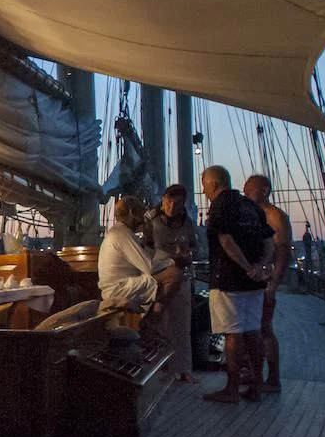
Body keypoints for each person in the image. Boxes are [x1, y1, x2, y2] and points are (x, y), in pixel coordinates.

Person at [200, 165, 274, 404]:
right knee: (253, 331)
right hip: (255, 283)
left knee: (233, 334)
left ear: (213, 184)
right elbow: (269, 242)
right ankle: (256, 385)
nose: (204, 191)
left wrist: (246, 266)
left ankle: (232, 389)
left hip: (228, 280)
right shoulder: (250, 206)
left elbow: (226, 240)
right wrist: (260, 266)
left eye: (204, 186)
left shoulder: (220, 205)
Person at [146, 184, 199, 384]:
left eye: (176, 203)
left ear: (183, 203)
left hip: (180, 273)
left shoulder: (187, 223)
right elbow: (143, 247)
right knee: (160, 323)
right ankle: (162, 368)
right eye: (168, 202)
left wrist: (187, 253)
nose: (171, 207)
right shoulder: (150, 220)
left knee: (182, 323)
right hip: (157, 274)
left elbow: (195, 246)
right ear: (163, 199)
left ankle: (184, 369)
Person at [98, 195, 183, 316]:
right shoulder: (121, 233)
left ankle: (152, 317)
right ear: (132, 212)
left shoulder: (122, 231)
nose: (144, 216)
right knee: (174, 274)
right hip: (118, 289)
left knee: (168, 273)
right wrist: (174, 261)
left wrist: (150, 238)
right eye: (141, 211)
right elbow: (149, 267)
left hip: (122, 285)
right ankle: (152, 319)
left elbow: (149, 254)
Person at [244, 175, 291, 392]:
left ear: (264, 191)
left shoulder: (275, 216)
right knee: (250, 329)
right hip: (252, 279)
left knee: (264, 328)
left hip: (265, 280)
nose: (245, 194)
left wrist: (273, 285)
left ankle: (273, 378)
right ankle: (253, 373)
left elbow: (283, 252)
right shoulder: (252, 215)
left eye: (249, 190)